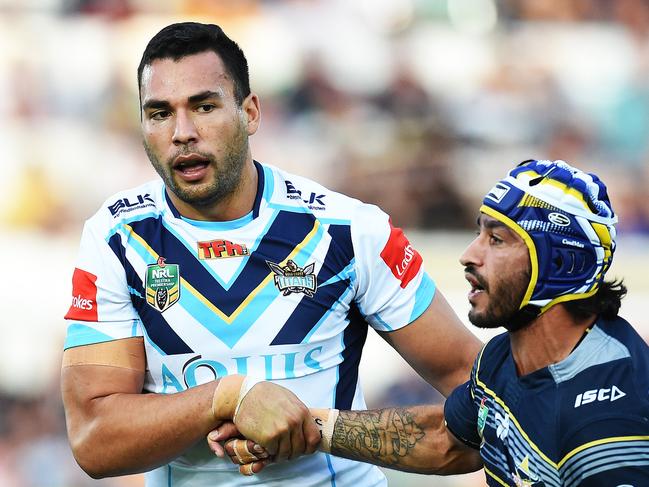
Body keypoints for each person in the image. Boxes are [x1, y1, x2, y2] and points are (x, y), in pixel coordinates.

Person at [60, 21, 481, 486]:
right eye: (159, 113)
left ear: (251, 113)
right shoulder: (116, 238)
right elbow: (93, 440)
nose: (182, 132)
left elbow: (478, 393)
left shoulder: (347, 230)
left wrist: (318, 428)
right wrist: (227, 398)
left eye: (204, 107)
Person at [220, 159, 649, 485]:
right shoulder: (504, 359)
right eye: (479, 233)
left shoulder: (611, 420)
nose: (469, 254)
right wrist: (303, 426)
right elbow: (446, 437)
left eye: (495, 240)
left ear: (562, 263)